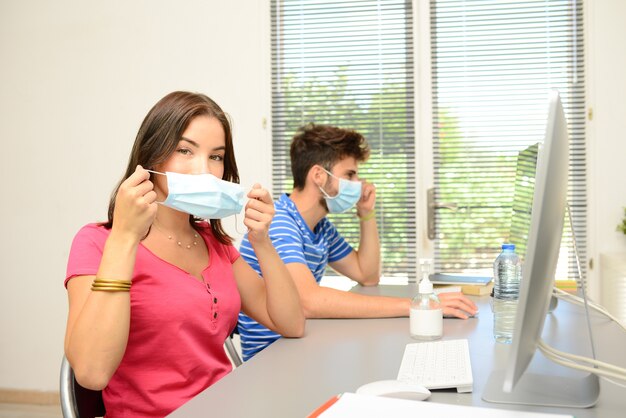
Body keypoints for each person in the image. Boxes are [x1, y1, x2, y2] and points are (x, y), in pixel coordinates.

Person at [63, 91, 305, 417]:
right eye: (184, 150)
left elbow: (290, 323)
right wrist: (124, 236)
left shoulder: (213, 242)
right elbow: (92, 373)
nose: (203, 170)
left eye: (216, 157)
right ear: (151, 158)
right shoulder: (97, 242)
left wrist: (262, 241)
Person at [237, 123, 478, 360]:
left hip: (302, 344)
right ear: (319, 175)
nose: (359, 184)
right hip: (273, 356)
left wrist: (366, 213)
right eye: (350, 174)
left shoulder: (320, 227)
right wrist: (414, 305)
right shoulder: (279, 222)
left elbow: (367, 274)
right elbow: (308, 300)